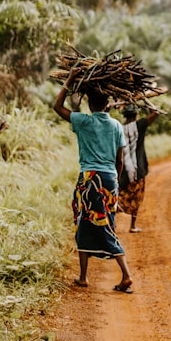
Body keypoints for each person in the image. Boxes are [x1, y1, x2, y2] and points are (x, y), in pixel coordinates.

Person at [53, 71, 134, 293]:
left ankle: (126, 275)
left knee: (93, 224)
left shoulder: (83, 121)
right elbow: (120, 159)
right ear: (108, 103)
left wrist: (68, 82)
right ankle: (82, 277)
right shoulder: (117, 125)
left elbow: (57, 107)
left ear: (90, 103)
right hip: (109, 180)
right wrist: (115, 184)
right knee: (92, 225)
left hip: (89, 180)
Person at [118, 104, 159, 233]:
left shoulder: (118, 128)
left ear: (124, 115)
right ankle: (132, 225)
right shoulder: (140, 125)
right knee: (136, 196)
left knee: (119, 195)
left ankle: (112, 225)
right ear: (136, 115)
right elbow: (155, 112)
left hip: (122, 170)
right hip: (137, 168)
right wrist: (144, 101)